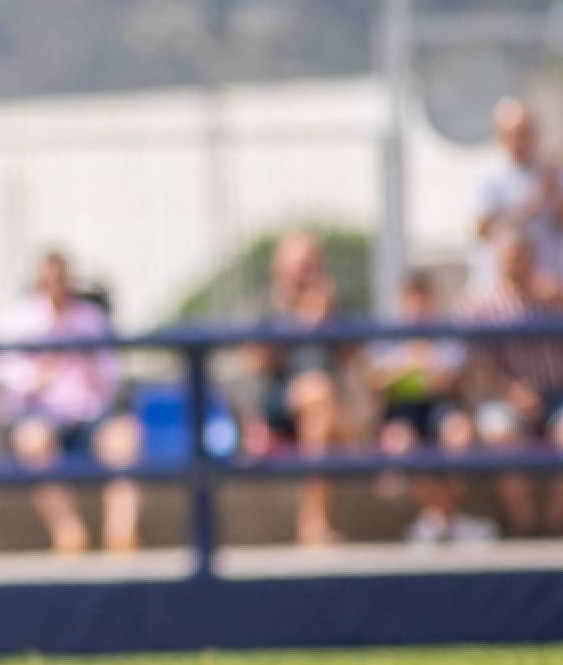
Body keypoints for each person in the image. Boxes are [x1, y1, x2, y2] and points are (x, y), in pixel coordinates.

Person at [0, 250, 142, 553]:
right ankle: (68, 534)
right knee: (32, 441)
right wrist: (48, 367)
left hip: (91, 414)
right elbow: (12, 383)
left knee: (124, 437)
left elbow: (112, 376)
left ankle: (121, 535)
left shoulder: (92, 318)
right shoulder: (20, 320)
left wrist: (88, 364)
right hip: (42, 414)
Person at [241, 229, 355, 545]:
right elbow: (256, 364)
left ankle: (313, 526)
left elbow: (355, 362)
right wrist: (302, 325)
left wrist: (331, 321)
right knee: (317, 389)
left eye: (310, 264)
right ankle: (359, 445)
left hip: (323, 409)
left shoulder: (333, 303)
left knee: (320, 418)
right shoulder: (264, 306)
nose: (303, 272)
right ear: (278, 267)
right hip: (278, 404)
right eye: (297, 264)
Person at [362, 272, 479, 544]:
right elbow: (375, 384)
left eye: (422, 302)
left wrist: (427, 367)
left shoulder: (447, 333)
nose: (417, 309)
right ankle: (446, 521)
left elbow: (452, 381)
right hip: (401, 413)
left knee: (459, 433)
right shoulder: (385, 336)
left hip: (440, 410)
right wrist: (407, 365)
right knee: (401, 443)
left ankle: (437, 522)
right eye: (411, 302)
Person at [467, 233, 563, 536]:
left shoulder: (552, 297)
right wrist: (512, 393)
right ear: (499, 262)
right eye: (511, 258)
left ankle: (554, 524)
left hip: (557, 394)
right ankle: (524, 524)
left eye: (523, 257)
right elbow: (482, 364)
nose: (518, 264)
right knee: (499, 432)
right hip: (507, 397)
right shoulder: (484, 305)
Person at [473, 98, 563, 293]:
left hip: (547, 292)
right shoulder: (488, 176)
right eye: (514, 134)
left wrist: (554, 193)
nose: (520, 140)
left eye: (525, 133)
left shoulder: (552, 173)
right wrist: (534, 202)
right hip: (500, 294)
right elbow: (482, 229)